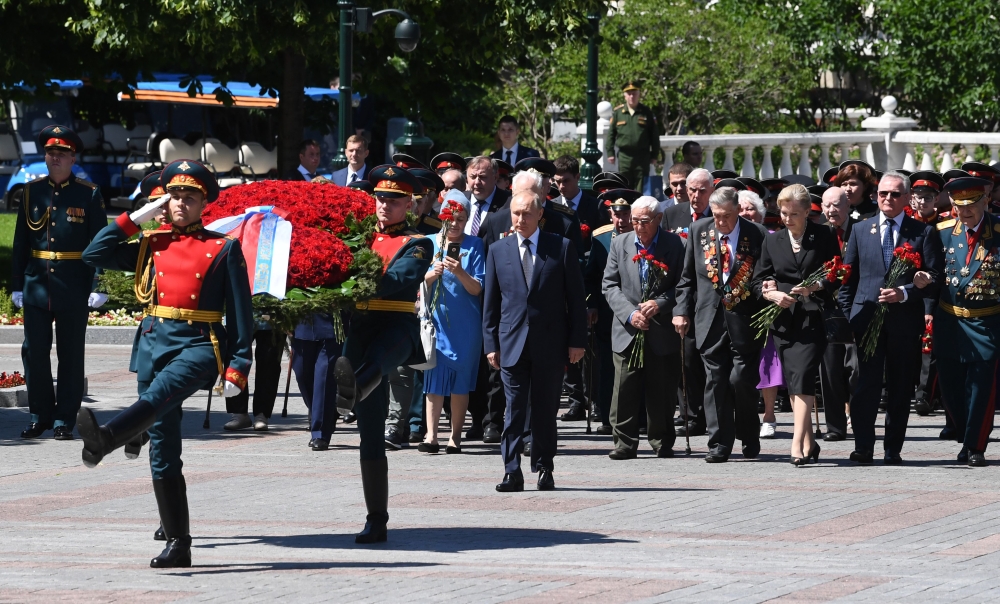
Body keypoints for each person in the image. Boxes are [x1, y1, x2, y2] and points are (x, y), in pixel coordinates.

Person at [78, 158, 254, 567]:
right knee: (163, 446)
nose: (180, 204)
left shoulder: (223, 248)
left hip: (197, 345)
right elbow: (93, 253)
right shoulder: (151, 242)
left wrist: (239, 364)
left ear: (203, 203)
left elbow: (244, 314)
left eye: (189, 197)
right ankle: (179, 543)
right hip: (154, 344)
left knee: (159, 396)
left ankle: (108, 437)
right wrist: (134, 218)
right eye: (174, 196)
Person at [331, 164, 433, 543]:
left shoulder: (419, 242)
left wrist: (351, 279)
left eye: (393, 200)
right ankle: (376, 519)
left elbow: (397, 280)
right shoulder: (359, 239)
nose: (384, 205)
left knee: (377, 361)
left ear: (409, 204)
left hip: (396, 328)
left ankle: (351, 389)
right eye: (380, 198)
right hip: (360, 329)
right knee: (370, 434)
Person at [484, 190, 587, 492]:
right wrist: (491, 344)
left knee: (544, 410)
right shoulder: (498, 250)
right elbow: (490, 303)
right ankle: (511, 470)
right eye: (516, 213)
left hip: (551, 343)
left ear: (540, 214)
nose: (520, 219)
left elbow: (576, 300)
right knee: (513, 409)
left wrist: (577, 340)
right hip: (511, 343)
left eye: (527, 213)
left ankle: (544, 467)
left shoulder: (561, 247)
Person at [839, 171, 943, 464]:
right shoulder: (861, 230)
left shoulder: (923, 232)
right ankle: (863, 446)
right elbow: (849, 278)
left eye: (895, 194)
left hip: (904, 323)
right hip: (866, 320)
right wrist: (848, 318)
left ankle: (892, 448)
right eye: (882, 193)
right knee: (865, 385)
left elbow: (935, 278)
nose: (887, 198)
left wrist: (906, 291)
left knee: (899, 387)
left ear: (907, 198)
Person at [12, 125, 109, 440]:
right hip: (37, 284)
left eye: (62, 153)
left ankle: (64, 419)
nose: (56, 158)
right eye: (51, 152)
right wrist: (16, 284)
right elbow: (20, 243)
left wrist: (100, 285)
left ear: (72, 157)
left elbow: (101, 243)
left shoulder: (88, 193)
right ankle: (40, 415)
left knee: (70, 353)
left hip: (74, 284)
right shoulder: (31, 192)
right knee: (34, 352)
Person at [673, 186, 768, 463]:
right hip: (708, 319)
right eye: (716, 216)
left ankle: (749, 435)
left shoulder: (756, 234)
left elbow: (762, 275)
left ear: (738, 210)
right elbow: (687, 278)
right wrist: (681, 311)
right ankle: (719, 444)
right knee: (715, 382)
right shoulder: (699, 230)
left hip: (744, 320)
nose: (721, 222)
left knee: (741, 380)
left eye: (726, 216)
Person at [753, 185, 841, 465]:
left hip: (813, 317)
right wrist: (770, 292)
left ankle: (795, 444)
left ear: (807, 213)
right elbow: (759, 277)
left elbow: (836, 273)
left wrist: (816, 286)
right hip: (783, 319)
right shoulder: (773, 240)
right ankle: (809, 443)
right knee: (793, 380)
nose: (787, 219)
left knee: (802, 375)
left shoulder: (824, 235)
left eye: (793, 214)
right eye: (783, 213)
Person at [602, 196, 685, 459]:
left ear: (659, 220)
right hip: (628, 328)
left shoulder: (675, 244)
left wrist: (660, 303)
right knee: (624, 387)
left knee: (661, 387)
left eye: (644, 221)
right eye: (634, 220)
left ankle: (661, 441)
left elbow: (683, 285)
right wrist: (630, 313)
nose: (638, 226)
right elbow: (610, 285)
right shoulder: (620, 243)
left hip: (661, 327)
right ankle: (624, 443)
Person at [934, 177, 1000, 466]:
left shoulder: (998, 232)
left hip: (987, 323)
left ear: (985, 200)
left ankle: (975, 445)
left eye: (971, 205)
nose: (965, 212)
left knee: (981, 388)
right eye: (959, 206)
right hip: (950, 321)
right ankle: (963, 432)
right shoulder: (941, 232)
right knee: (950, 387)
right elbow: (933, 273)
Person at [420, 190, 486, 454]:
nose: (455, 223)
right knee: (433, 380)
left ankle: (455, 436)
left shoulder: (475, 245)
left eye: (461, 218)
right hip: (435, 323)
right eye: (451, 217)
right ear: (441, 217)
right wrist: (430, 275)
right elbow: (416, 281)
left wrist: (459, 271)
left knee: (460, 381)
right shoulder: (428, 242)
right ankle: (431, 435)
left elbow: (477, 288)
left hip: (465, 325)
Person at [660, 167, 714, 437]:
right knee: (686, 358)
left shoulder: (719, 215)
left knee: (707, 360)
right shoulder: (672, 214)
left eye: (700, 190)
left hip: (710, 296)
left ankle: (710, 413)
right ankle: (690, 414)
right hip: (681, 296)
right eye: (690, 190)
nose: (693, 195)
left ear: (711, 191)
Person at [587, 189, 639, 435]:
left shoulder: (643, 235)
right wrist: (592, 305)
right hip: (609, 313)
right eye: (617, 214)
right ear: (610, 214)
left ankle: (639, 417)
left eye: (626, 213)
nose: (622, 219)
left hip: (638, 311)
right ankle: (608, 416)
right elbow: (592, 275)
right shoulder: (601, 238)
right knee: (608, 366)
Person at [817, 186, 858, 442]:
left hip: (856, 308)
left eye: (837, 205)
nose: (832, 210)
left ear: (848, 206)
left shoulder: (862, 230)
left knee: (856, 370)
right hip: (828, 309)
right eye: (827, 205)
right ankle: (835, 426)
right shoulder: (818, 234)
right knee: (829, 369)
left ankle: (858, 417)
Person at [606, 80, 659, 192]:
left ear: (639, 94)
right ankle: (626, 208)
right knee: (624, 184)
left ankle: (638, 209)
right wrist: (610, 153)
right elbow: (611, 134)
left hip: (642, 156)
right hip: (625, 156)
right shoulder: (618, 113)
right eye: (629, 94)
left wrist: (654, 154)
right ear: (625, 96)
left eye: (634, 93)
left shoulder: (646, 112)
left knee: (642, 186)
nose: (632, 96)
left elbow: (654, 135)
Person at [463, 156, 511, 238]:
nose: (477, 182)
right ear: (467, 179)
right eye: (473, 177)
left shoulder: (509, 203)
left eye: (483, 177)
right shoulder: (460, 199)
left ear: (496, 177)